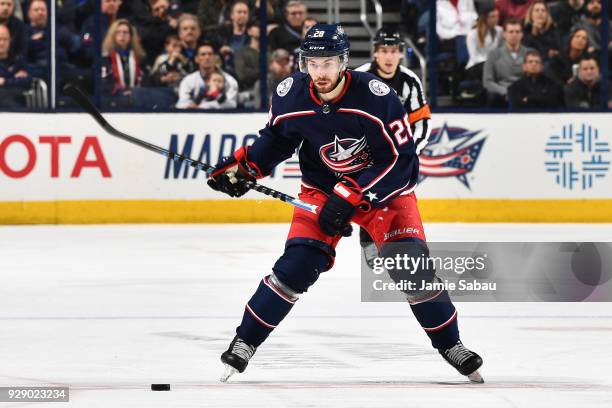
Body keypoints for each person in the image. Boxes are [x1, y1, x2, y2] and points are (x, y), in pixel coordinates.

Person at [207, 23, 484, 384]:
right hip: (322, 189)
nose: (320, 73)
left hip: (383, 192)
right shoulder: (291, 94)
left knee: (411, 267)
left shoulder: (377, 96)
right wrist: (245, 167)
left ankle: (451, 344)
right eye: (313, 63)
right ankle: (245, 341)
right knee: (298, 265)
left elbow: (403, 161)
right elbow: (277, 139)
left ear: (344, 62)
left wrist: (355, 193)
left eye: (328, 63)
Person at [355, 26, 432, 267]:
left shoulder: (410, 80)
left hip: (399, 155)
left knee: (399, 197)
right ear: (375, 53)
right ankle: (368, 238)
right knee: (365, 196)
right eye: (384, 50)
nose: (389, 56)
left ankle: (402, 242)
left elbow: (421, 122)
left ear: (400, 54)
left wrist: (411, 152)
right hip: (365, 155)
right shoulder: (360, 76)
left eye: (394, 51)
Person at [483, 17, 533, 106]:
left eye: (517, 32)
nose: (514, 35)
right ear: (504, 34)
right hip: (502, 92)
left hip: (526, 92)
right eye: (511, 32)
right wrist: (506, 91)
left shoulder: (531, 53)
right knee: (492, 97)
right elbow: (487, 81)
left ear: (522, 34)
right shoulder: (493, 55)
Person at [176, 41, 238, 109]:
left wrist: (204, 106)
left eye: (210, 54)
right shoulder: (188, 81)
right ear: (197, 59)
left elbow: (231, 105)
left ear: (215, 58)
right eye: (203, 54)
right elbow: (181, 104)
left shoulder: (229, 81)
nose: (207, 57)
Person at [101, 19, 146, 106]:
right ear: (113, 35)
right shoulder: (105, 58)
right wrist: (120, 91)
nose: (122, 35)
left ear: (131, 36)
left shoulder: (139, 57)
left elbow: (146, 80)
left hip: (137, 98)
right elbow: (103, 83)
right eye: (118, 32)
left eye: (125, 32)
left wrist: (134, 92)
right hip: (114, 100)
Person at [465, 6, 502, 84]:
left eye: (497, 16)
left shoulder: (499, 31)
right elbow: (474, 57)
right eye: (493, 16)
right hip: (476, 65)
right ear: (485, 18)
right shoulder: (472, 34)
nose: (496, 19)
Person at [0, 23, 31, 108]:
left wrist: (5, 81)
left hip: (17, 107)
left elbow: (27, 81)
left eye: (5, 39)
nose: (2, 43)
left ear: (10, 41)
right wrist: (14, 77)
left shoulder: (18, 60)